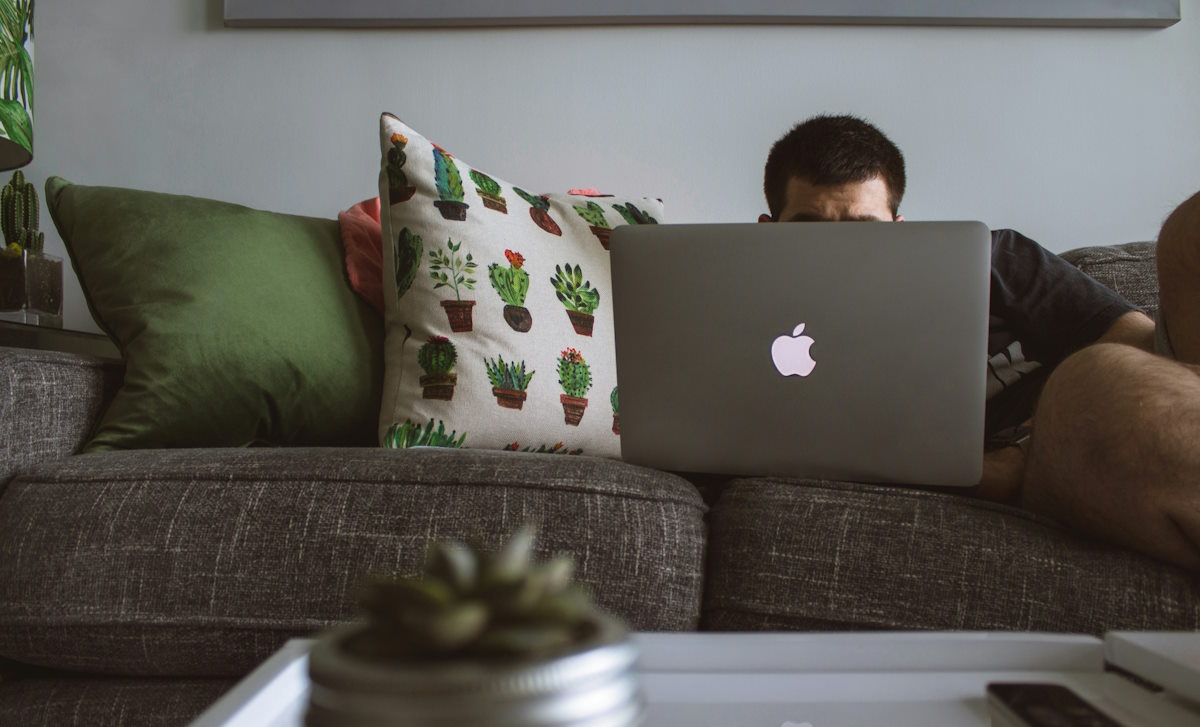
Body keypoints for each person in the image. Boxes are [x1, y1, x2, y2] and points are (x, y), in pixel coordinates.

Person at [761, 114, 1199, 571]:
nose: (839, 258)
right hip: (1071, 458)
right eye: (809, 230)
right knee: (1086, 388)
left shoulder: (990, 259)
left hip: (1082, 426)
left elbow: (1137, 340)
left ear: (900, 227)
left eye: (866, 230)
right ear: (768, 233)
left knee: (1188, 232)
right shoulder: (751, 326)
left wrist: (1017, 456)